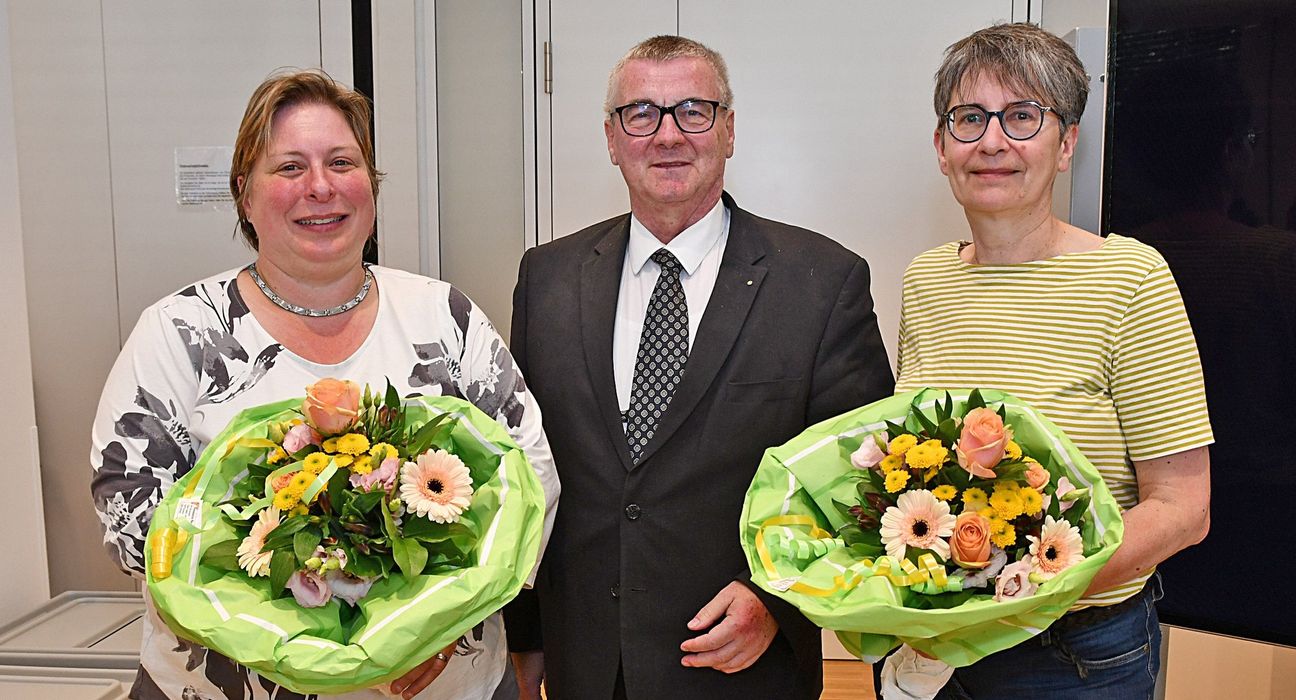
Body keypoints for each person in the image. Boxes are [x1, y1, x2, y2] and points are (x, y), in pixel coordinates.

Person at [90, 69, 559, 700]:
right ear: (244, 193)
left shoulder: (443, 318)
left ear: (370, 184)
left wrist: (431, 631)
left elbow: (528, 479)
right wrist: (285, 630)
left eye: (342, 162)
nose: (320, 187)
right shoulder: (179, 334)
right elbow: (133, 514)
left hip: (445, 680)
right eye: (289, 168)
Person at [505, 35, 894, 700]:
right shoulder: (547, 278)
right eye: (641, 114)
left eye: (693, 111)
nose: (667, 136)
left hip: (744, 666)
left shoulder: (822, 282)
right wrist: (526, 635)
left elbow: (862, 476)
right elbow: (525, 472)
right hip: (590, 667)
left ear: (729, 129)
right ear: (611, 137)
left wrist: (777, 596)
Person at [890, 23, 1213, 698]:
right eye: (969, 118)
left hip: (1074, 658)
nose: (993, 141)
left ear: (1065, 144)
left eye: (1023, 116)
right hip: (932, 643)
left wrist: (1024, 587)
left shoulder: (1131, 279)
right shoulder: (927, 280)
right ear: (942, 147)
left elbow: (1184, 506)